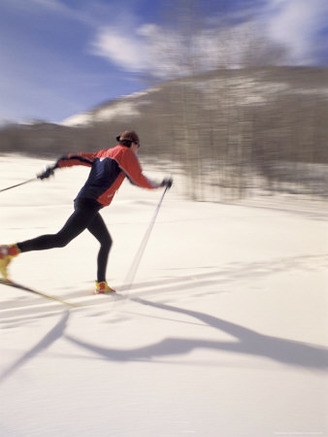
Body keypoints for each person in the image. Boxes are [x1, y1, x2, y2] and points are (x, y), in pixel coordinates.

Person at [0, 130, 172, 294]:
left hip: (87, 202)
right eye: (138, 147)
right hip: (90, 203)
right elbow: (137, 179)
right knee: (60, 239)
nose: (137, 151)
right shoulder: (126, 154)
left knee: (106, 241)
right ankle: (8, 251)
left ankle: (101, 284)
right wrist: (160, 184)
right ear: (133, 144)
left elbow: (76, 157)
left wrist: (54, 167)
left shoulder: (103, 153)